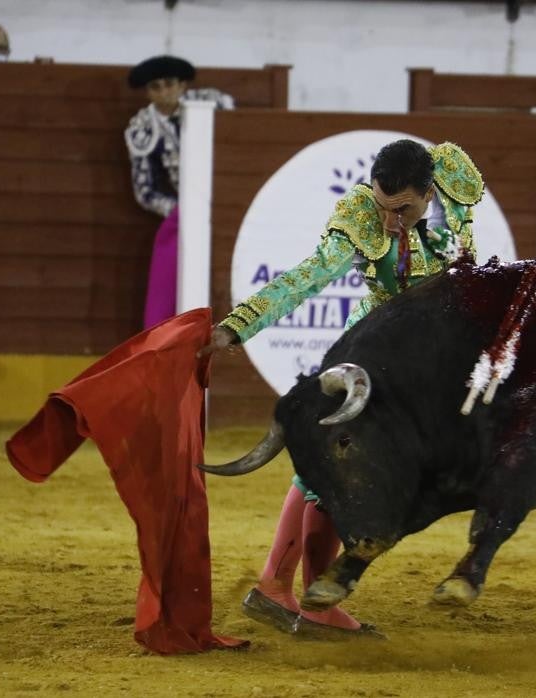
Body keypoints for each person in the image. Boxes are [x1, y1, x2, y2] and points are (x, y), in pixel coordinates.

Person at [198, 138, 485, 638]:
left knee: (346, 472)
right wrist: (238, 325)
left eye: (403, 209)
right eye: (381, 206)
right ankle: (303, 597)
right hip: (374, 356)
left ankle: (283, 588)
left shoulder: (456, 179)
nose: (391, 220)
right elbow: (307, 277)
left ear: (429, 191)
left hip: (432, 364)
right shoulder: (360, 215)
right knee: (339, 468)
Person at [125, 55, 234, 329]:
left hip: (228, 199)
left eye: (169, 84)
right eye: (155, 87)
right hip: (184, 210)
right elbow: (145, 190)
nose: (164, 92)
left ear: (183, 84)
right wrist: (179, 210)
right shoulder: (142, 127)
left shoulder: (213, 104)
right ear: (148, 92)